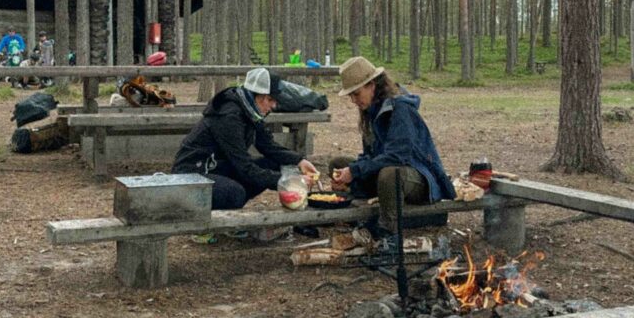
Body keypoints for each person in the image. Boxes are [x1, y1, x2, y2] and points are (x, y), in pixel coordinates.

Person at [331, 56, 455, 250]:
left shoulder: (400, 109)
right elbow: (371, 155)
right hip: (388, 173)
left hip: (418, 178)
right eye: (351, 96)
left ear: (371, 85)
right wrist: (348, 175)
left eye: (356, 94)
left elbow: (398, 156)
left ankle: (389, 234)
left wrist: (355, 171)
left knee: (390, 173)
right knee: (338, 163)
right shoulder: (371, 110)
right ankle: (358, 219)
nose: (354, 101)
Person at [172, 66, 318, 211]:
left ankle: (228, 210)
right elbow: (244, 167)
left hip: (218, 167)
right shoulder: (229, 117)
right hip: (192, 174)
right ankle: (207, 222)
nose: (273, 105)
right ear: (257, 95)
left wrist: (299, 160)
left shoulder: (250, 109)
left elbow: (268, 145)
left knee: (274, 163)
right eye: (270, 99)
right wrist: (287, 181)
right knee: (234, 193)